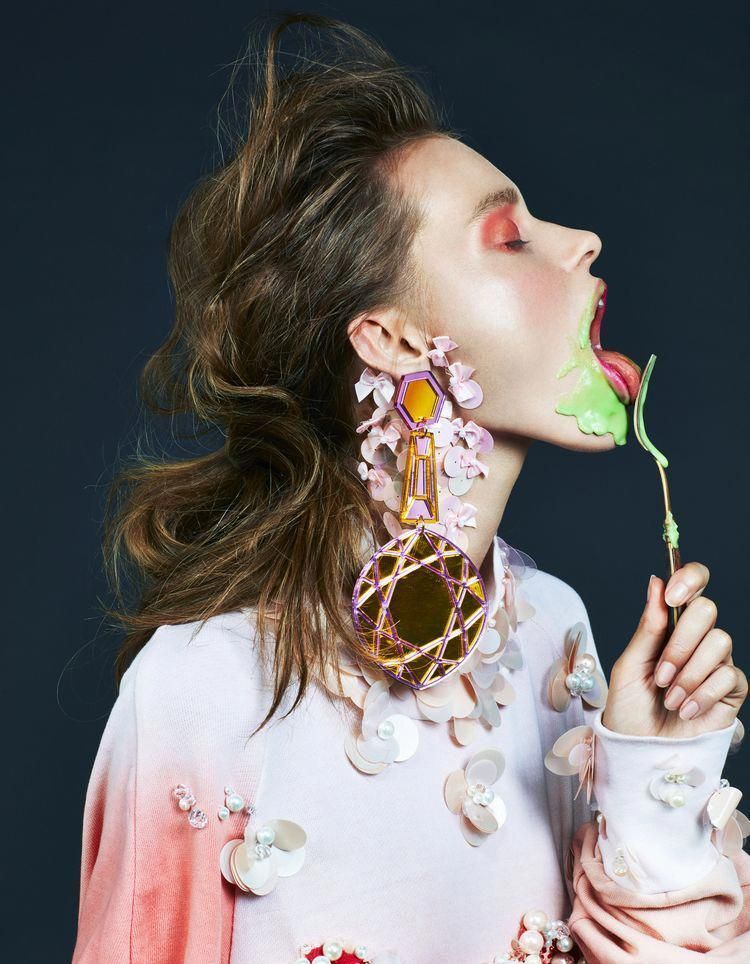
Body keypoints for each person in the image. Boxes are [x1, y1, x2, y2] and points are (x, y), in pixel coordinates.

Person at [71, 13, 750, 964]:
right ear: (389, 340)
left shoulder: (555, 637)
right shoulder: (200, 694)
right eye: (510, 237)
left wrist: (655, 773)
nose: (585, 240)